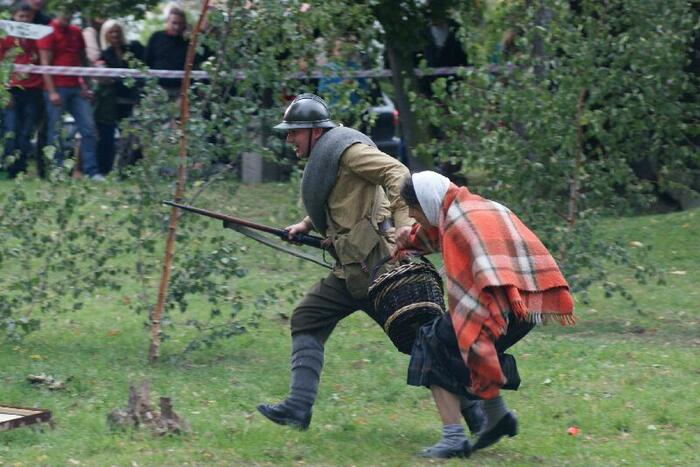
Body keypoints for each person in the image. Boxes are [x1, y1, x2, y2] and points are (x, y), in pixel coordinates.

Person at [256, 93, 415, 430]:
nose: (289, 139)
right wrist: (306, 224)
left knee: (420, 340)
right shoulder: (327, 156)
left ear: (316, 131)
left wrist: (405, 226)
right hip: (350, 269)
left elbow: (397, 172)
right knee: (307, 318)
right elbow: (337, 196)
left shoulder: (349, 151)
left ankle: (486, 412)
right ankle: (298, 408)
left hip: (378, 266)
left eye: (294, 132)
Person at [393, 171, 575, 458]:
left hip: (501, 305)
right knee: (453, 345)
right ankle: (497, 415)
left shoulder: (458, 224)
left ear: (426, 202)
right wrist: (407, 239)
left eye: (413, 209)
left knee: (432, 342)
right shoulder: (471, 206)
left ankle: (454, 438)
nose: (412, 216)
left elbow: (473, 301)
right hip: (528, 301)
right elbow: (430, 232)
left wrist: (475, 340)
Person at [37, 7, 102, 180]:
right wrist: (52, 91)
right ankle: (57, 171)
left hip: (76, 88)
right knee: (55, 131)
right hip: (56, 88)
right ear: (57, 11)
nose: (67, 15)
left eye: (70, 11)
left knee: (88, 128)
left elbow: (83, 60)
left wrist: (87, 86)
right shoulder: (47, 31)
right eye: (64, 11)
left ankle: (91, 171)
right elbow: (45, 63)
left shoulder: (76, 32)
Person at [93, 19, 144, 175]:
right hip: (111, 103)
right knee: (107, 137)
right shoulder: (104, 55)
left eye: (117, 31)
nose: (115, 35)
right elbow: (104, 78)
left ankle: (130, 170)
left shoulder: (134, 48)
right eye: (111, 32)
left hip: (133, 99)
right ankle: (105, 170)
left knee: (133, 137)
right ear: (105, 35)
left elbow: (145, 67)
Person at [1, 2, 42, 178]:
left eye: (28, 16)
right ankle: (9, 167)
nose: (24, 20)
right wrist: (3, 91)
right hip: (10, 90)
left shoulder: (37, 36)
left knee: (26, 131)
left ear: (32, 18)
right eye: (21, 16)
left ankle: (21, 167)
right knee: (10, 129)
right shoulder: (5, 37)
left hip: (33, 90)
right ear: (14, 17)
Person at [144, 7, 189, 99]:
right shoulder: (156, 37)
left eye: (180, 23)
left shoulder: (187, 42)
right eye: (174, 23)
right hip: (157, 88)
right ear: (167, 21)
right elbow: (146, 61)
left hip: (180, 90)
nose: (177, 27)